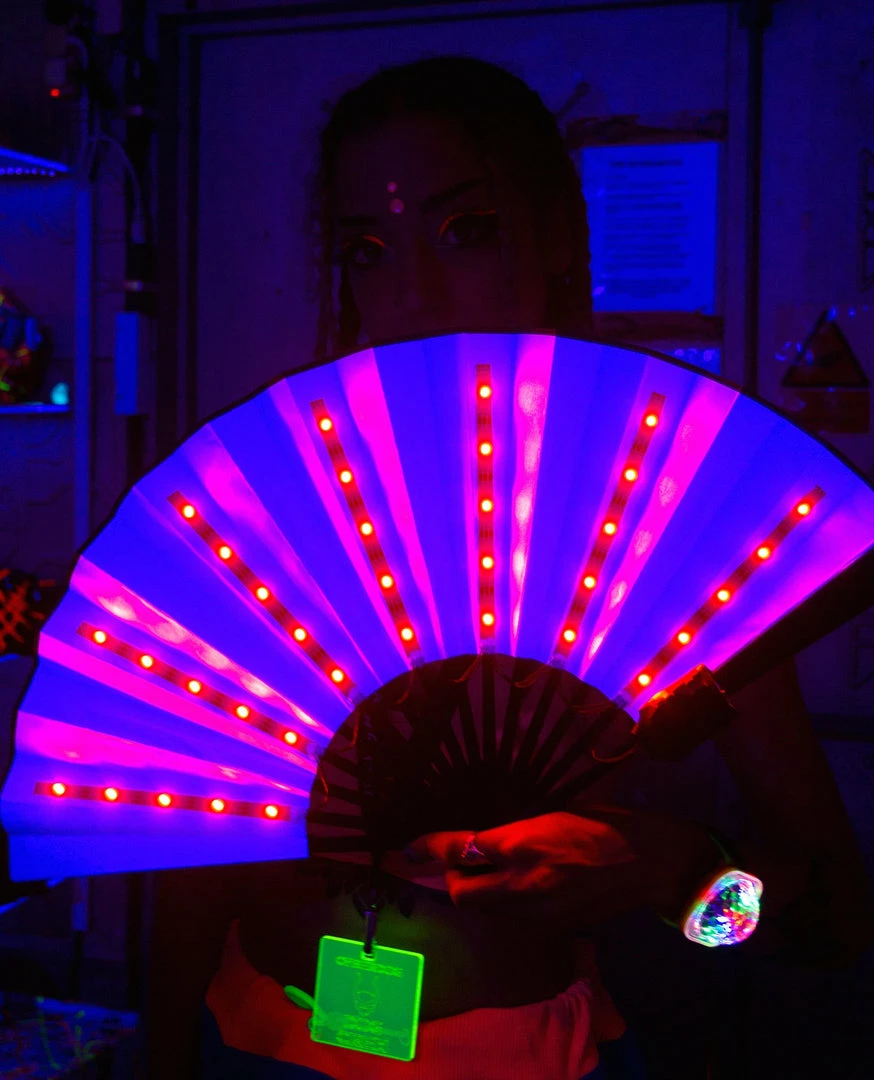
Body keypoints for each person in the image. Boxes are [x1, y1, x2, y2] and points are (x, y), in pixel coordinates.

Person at [146, 55, 873, 1079]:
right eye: (367, 250)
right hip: (256, 1043)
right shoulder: (270, 511)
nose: (415, 295)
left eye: (466, 231)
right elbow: (189, 859)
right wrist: (162, 1055)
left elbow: (833, 922)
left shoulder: (664, 525)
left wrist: (668, 870)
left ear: (558, 236)